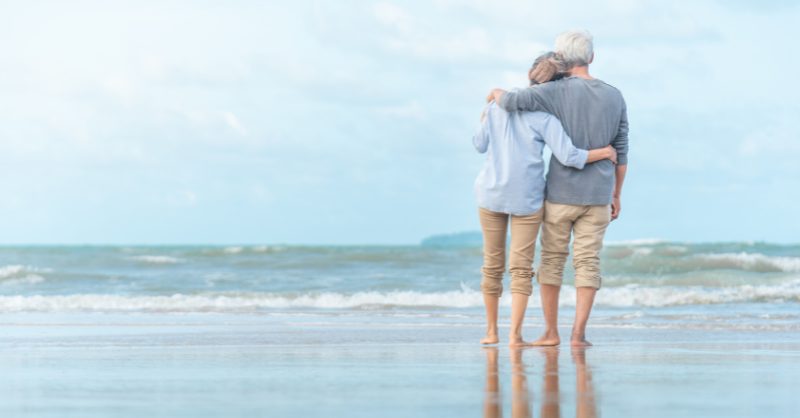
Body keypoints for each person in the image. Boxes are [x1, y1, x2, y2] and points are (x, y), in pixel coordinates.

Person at [487, 30, 629, 347]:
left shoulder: (553, 91)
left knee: (552, 260)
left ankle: (551, 333)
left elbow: (510, 101)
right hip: (599, 194)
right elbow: (622, 150)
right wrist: (617, 194)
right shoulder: (615, 95)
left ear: (562, 59)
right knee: (588, 262)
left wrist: (495, 93)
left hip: (561, 193)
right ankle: (579, 334)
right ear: (591, 57)